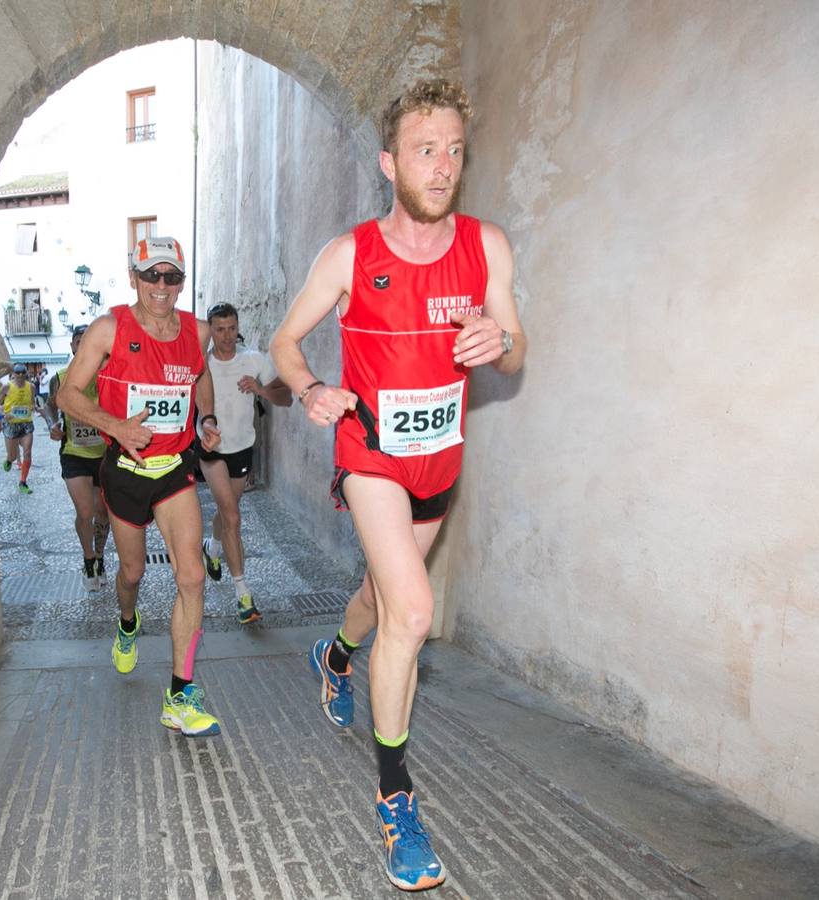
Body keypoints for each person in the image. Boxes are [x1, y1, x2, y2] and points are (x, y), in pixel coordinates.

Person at [271, 78, 527, 893]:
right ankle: (395, 797)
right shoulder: (351, 254)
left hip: (437, 467)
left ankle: (336, 657)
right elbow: (283, 342)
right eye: (425, 149)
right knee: (414, 612)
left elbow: (515, 348)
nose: (442, 164)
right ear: (390, 162)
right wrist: (313, 387)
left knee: (382, 604)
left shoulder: (487, 247)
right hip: (371, 453)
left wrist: (501, 339)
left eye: (454, 149)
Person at [55, 236, 225, 737]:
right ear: (134, 277)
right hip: (125, 471)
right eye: (152, 275)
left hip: (173, 469)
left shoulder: (196, 330)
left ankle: (179, 693)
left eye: (172, 276)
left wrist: (207, 417)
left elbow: (201, 377)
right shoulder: (109, 328)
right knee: (131, 574)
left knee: (191, 576)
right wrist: (117, 426)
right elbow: (67, 393)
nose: (161, 286)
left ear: (181, 283)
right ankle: (127, 624)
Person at [199, 302, 292, 623]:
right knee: (234, 517)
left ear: (238, 327)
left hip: (242, 449)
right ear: (210, 330)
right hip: (211, 451)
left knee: (227, 515)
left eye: (231, 328)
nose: (226, 336)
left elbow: (286, 397)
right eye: (219, 329)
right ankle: (243, 596)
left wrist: (261, 389)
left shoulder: (253, 359)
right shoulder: (202, 365)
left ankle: (212, 545)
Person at [47, 325, 110, 593]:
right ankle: (88, 560)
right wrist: (53, 424)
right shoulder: (61, 377)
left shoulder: (107, 375)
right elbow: (49, 406)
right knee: (85, 512)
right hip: (74, 453)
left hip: (105, 455)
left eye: (89, 341)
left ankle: (99, 556)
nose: (83, 345)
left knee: (103, 514)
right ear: (72, 347)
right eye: (78, 341)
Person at [0, 363, 42, 494]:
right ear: (14, 374)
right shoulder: (7, 387)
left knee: (27, 452)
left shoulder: (31, 387)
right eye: (18, 373)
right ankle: (9, 460)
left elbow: (32, 402)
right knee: (14, 456)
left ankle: (23, 482)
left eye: (23, 373)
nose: (20, 375)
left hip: (26, 423)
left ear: (26, 373)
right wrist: (3, 414)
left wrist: (33, 407)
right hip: (11, 424)